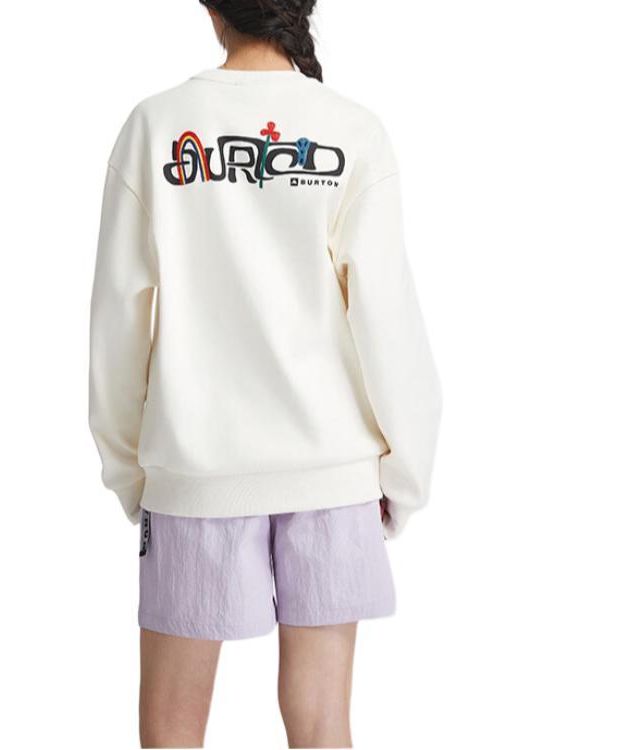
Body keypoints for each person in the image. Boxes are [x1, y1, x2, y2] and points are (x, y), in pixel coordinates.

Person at [88, 1, 443, 746]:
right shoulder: (352, 130)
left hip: (195, 473)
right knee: (322, 722)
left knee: (171, 727)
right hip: (332, 479)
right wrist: (404, 477)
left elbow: (118, 324)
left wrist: (133, 476)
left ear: (209, 5)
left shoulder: (156, 127)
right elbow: (388, 321)